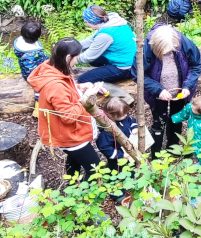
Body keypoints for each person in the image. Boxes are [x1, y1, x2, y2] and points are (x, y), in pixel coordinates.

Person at [27, 38, 102, 181]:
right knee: (95, 169)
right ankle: (85, 198)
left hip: (68, 134)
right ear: (68, 57)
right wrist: (86, 97)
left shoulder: (54, 68)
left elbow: (66, 93)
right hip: (70, 136)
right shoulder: (55, 85)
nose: (77, 61)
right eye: (77, 58)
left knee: (74, 159)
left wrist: (80, 88)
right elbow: (69, 117)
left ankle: (72, 186)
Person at [133, 23, 201, 159]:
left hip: (180, 92)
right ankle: (156, 156)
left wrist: (188, 86)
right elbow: (138, 75)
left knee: (176, 119)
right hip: (158, 94)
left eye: (172, 50)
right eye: (165, 52)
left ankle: (173, 149)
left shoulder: (182, 42)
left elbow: (195, 65)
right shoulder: (146, 48)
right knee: (159, 121)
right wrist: (158, 90)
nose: (169, 54)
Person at [77, 5, 137, 85]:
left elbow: (87, 57)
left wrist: (72, 59)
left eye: (85, 21)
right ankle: (106, 70)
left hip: (125, 67)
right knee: (95, 60)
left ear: (91, 21)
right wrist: (71, 48)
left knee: (83, 79)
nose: (85, 23)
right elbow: (90, 41)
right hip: (131, 60)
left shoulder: (105, 34)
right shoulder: (112, 23)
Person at [13, 21, 49, 117]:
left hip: (25, 69)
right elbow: (33, 70)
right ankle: (37, 111)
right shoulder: (33, 52)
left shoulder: (19, 42)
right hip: (31, 74)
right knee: (40, 88)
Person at [96, 97, 138, 173]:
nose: (126, 115)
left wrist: (134, 127)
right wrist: (121, 155)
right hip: (119, 160)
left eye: (126, 113)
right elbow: (104, 147)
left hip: (130, 150)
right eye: (123, 114)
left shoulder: (125, 117)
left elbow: (131, 120)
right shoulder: (107, 131)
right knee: (121, 172)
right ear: (112, 116)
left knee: (133, 168)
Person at [171, 95, 201, 165]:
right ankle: (200, 163)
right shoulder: (192, 108)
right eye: (192, 105)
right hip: (193, 137)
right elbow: (183, 114)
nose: (191, 107)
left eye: (193, 108)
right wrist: (173, 119)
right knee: (195, 151)